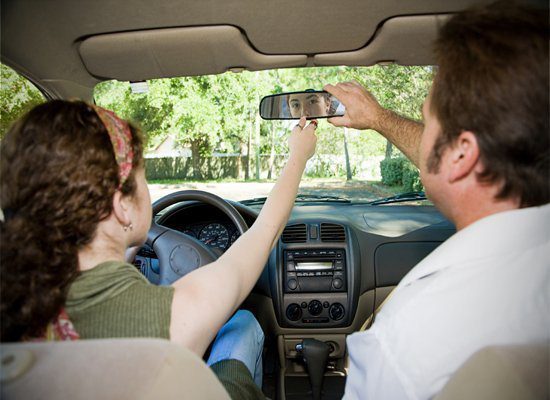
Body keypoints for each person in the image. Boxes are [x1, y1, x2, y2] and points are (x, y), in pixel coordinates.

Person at [0, 100, 317, 399]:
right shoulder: (159, 320)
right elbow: (266, 229)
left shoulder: (14, 297)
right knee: (243, 324)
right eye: (142, 176)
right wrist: (298, 156)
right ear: (121, 205)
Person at [324, 2, 549, 399]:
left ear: (462, 154)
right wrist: (378, 118)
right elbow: (445, 154)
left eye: (428, 121)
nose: (424, 132)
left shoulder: (406, 338)